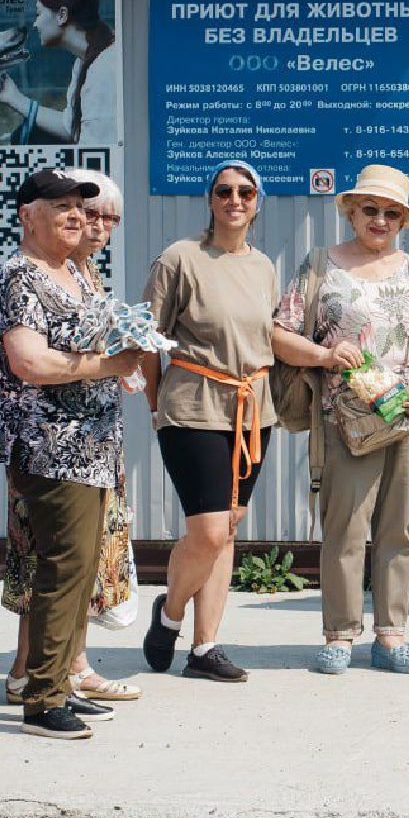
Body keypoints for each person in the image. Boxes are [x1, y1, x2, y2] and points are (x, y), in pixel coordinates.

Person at [274, 164, 409, 675]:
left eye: (391, 212)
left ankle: (391, 637)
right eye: (370, 209)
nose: (380, 220)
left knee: (398, 529)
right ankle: (340, 635)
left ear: (403, 219)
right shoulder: (320, 265)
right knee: (346, 527)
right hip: (345, 417)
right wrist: (326, 356)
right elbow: (279, 333)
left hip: (408, 417)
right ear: (350, 211)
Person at [0, 168, 142, 738]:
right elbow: (29, 361)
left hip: (96, 446)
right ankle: (42, 698)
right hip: (51, 446)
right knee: (62, 568)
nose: (77, 215)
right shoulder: (19, 278)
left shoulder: (77, 270)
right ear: (28, 215)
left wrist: (127, 350)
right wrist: (108, 365)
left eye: (82, 206)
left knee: (81, 573)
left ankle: (62, 683)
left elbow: (92, 340)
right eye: (62, 207)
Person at [140, 161, 278, 683]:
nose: (235, 199)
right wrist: (156, 405)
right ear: (211, 199)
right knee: (209, 528)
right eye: (225, 191)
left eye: (245, 191)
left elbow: (268, 338)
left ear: (257, 201)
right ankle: (170, 614)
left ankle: (205, 647)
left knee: (228, 529)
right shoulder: (181, 258)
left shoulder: (263, 266)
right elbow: (149, 339)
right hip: (193, 405)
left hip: (250, 411)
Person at [0, 0, 117, 145]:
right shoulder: (84, 62)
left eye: (39, 14)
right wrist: (14, 98)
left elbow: (95, 152)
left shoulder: (104, 66)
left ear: (62, 15)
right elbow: (70, 128)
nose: (35, 23)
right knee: (29, 134)